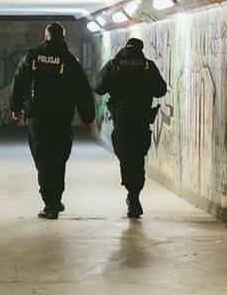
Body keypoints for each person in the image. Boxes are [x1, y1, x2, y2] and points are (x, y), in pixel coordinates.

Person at [9, 22, 95, 219]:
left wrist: (16, 108)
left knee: (42, 157)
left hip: (37, 118)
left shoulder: (33, 57)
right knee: (59, 158)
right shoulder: (69, 60)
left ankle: (50, 202)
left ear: (45, 36)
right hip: (62, 118)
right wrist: (87, 118)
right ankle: (55, 200)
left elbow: (19, 81)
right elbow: (82, 90)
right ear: (63, 37)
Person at [94, 38, 167, 218]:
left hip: (122, 121)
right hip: (141, 121)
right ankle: (134, 196)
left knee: (125, 157)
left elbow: (99, 87)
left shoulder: (114, 65)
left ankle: (131, 194)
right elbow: (161, 90)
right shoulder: (148, 66)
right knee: (138, 157)